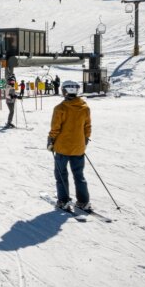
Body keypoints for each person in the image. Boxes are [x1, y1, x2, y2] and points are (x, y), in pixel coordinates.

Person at [47, 80, 93, 210]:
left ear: (65, 91)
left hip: (62, 148)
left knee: (61, 174)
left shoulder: (60, 108)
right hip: (78, 148)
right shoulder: (85, 108)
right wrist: (84, 140)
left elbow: (55, 128)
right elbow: (87, 127)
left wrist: (51, 141)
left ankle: (63, 200)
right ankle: (83, 201)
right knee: (79, 175)